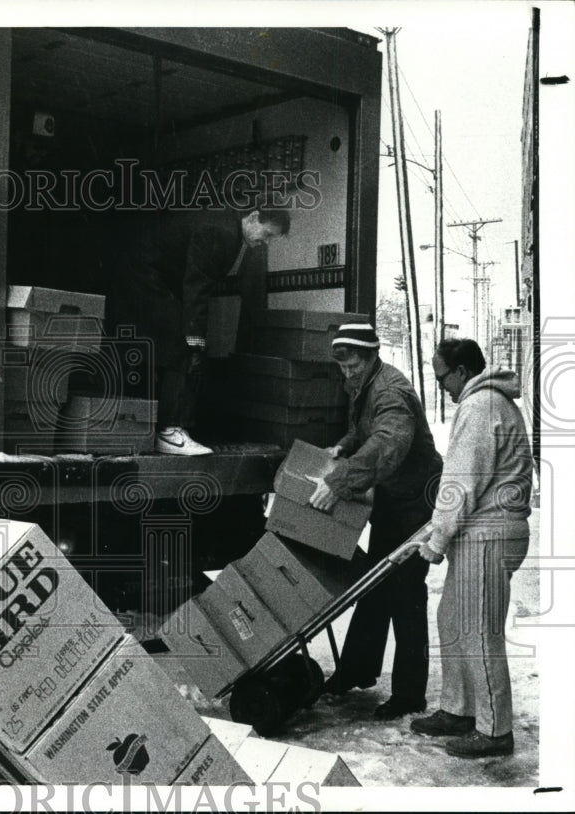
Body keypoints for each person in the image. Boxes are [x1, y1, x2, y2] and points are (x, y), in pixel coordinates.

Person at [308, 323, 443, 719]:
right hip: (392, 496)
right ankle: (356, 670)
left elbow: (388, 443)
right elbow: (362, 431)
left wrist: (341, 480)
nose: (347, 374)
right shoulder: (364, 384)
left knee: (405, 594)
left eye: (353, 366)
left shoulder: (391, 392)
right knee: (373, 583)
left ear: (372, 356)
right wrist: (344, 446)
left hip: (416, 500)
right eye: (343, 367)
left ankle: (409, 694)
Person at [411, 339, 533, 758]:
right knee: (453, 619)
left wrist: (439, 536)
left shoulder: (481, 406)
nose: (440, 383)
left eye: (441, 374)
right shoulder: (488, 402)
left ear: (462, 371)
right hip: (484, 530)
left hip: (490, 533)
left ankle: (495, 730)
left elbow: (463, 480)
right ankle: (460, 709)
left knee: (479, 631)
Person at [105, 204, 290, 455]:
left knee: (160, 346)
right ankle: (171, 431)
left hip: (141, 272)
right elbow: (197, 286)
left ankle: (143, 427)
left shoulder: (225, 225)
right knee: (184, 345)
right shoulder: (222, 232)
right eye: (267, 234)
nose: (264, 243)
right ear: (254, 217)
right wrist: (195, 338)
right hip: (143, 275)